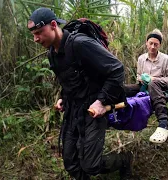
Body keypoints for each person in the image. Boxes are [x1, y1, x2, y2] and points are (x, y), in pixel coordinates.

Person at [27, 8, 133, 180]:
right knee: (71, 163)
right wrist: (62, 97)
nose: (35, 39)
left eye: (39, 32)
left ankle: (123, 160)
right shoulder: (52, 54)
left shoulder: (80, 44)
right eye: (33, 34)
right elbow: (68, 80)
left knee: (90, 165)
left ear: (53, 25)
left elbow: (117, 69)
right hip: (73, 110)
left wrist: (101, 101)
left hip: (94, 109)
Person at [124, 29, 168, 143]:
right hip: (144, 86)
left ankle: (163, 122)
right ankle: (115, 113)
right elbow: (138, 75)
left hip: (159, 87)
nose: (152, 47)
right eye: (150, 43)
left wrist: (153, 79)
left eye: (155, 44)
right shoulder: (141, 58)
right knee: (124, 88)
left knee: (152, 83)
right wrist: (142, 79)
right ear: (146, 43)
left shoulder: (165, 58)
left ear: (159, 45)